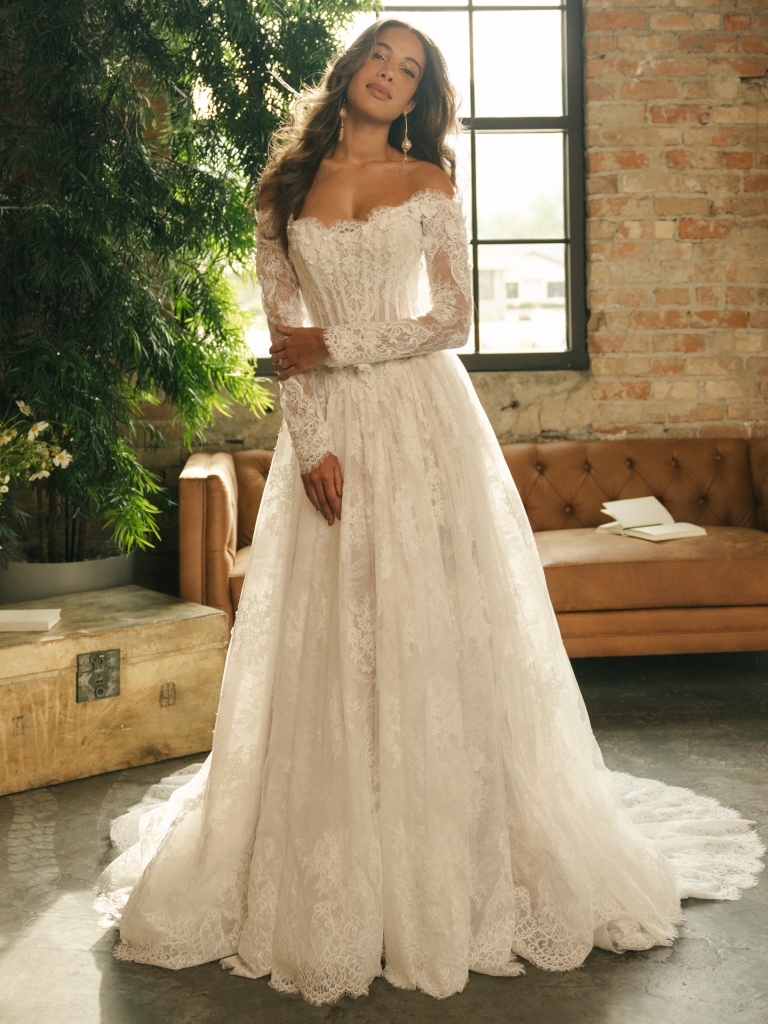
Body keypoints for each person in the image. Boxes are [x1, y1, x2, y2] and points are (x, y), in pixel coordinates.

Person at [95, 20, 764, 1007]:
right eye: (381, 57)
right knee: (335, 636)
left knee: (436, 624)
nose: (391, 76)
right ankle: (335, 847)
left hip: (424, 421)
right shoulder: (283, 189)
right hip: (332, 433)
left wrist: (340, 346)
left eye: (410, 71)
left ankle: (458, 847)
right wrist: (313, 440)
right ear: (352, 69)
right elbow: (289, 341)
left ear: (415, 96)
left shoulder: (431, 184)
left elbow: (452, 320)